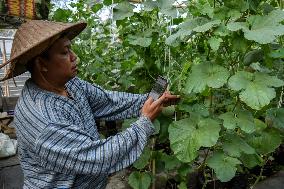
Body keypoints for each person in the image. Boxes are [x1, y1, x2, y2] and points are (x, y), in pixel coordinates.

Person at [0, 20, 179, 188]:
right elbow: (96, 156)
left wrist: (150, 100)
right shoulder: (43, 120)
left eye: (71, 49)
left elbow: (108, 101)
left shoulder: (69, 84)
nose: (74, 57)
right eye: (64, 52)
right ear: (41, 64)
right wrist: (144, 122)